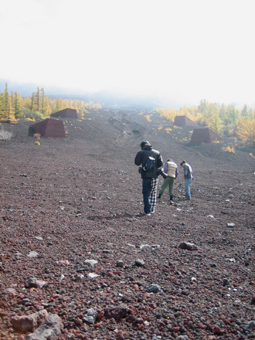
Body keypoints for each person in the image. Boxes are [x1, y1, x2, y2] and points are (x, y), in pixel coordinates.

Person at [135, 140, 163, 216]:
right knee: (153, 193)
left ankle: (147, 211)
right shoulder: (157, 152)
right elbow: (160, 164)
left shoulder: (141, 152)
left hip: (146, 176)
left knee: (146, 194)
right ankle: (152, 209)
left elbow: (137, 163)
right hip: (155, 177)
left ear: (142, 146)